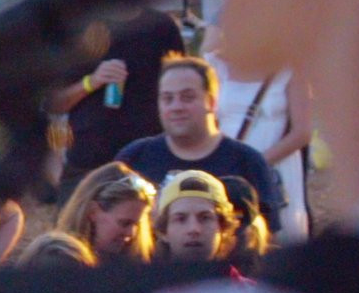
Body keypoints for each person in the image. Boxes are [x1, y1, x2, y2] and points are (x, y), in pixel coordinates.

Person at [117, 54, 288, 232]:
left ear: (212, 102)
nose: (176, 107)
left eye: (188, 97)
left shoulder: (248, 163)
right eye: (168, 98)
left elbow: (267, 240)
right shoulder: (134, 159)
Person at [208, 32, 316, 240]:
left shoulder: (291, 69)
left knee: (279, 231)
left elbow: (302, 132)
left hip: (276, 164)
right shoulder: (217, 65)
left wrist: (257, 163)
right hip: (231, 163)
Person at [52, 161, 157, 264]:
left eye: (137, 224)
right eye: (125, 223)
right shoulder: (57, 263)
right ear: (92, 212)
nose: (131, 233)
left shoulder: (140, 268)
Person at [150, 169, 239, 264]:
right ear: (164, 231)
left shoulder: (235, 279)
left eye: (205, 218)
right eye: (181, 219)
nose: (194, 229)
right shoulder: (143, 279)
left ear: (223, 227)